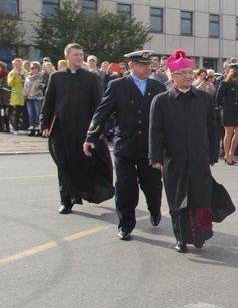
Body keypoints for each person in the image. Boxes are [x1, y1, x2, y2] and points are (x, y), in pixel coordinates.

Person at [83, 49, 167, 239]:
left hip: (149, 148)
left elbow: (166, 118)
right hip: (125, 146)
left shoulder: (158, 87)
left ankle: (155, 210)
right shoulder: (117, 86)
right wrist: (91, 137)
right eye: (143, 64)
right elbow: (101, 113)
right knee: (125, 188)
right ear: (131, 66)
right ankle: (126, 224)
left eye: (150, 64)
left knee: (152, 186)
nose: (148, 68)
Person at [149, 49, 220, 252]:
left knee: (200, 198)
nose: (189, 76)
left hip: (199, 157)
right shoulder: (161, 101)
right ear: (172, 76)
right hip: (174, 159)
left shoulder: (203, 98)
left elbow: (212, 128)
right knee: (177, 200)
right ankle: (180, 237)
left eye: (191, 72)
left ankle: (199, 235)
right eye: (183, 73)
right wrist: (155, 157)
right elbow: (155, 131)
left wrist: (213, 154)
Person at [40, 43, 114, 213]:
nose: (79, 58)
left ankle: (91, 192)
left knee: (85, 163)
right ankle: (66, 200)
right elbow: (48, 103)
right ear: (67, 57)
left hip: (83, 130)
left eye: (81, 55)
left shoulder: (90, 78)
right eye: (76, 55)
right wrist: (44, 125)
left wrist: (100, 129)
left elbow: (99, 106)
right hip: (61, 129)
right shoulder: (56, 77)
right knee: (63, 164)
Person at [216, 63, 238, 165]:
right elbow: (218, 98)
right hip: (228, 110)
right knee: (228, 132)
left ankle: (231, 153)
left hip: (237, 110)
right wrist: (223, 107)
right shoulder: (225, 83)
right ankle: (227, 155)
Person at [23, 61, 44, 136]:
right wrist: (25, 92)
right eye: (31, 68)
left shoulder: (41, 76)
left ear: (38, 68)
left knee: (37, 113)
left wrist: (35, 93)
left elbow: (41, 87)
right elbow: (25, 86)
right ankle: (32, 127)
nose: (31, 69)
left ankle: (38, 127)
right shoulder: (28, 77)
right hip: (29, 98)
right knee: (31, 113)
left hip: (36, 98)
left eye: (33, 68)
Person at [7, 58, 27, 134]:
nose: (17, 65)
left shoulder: (25, 72)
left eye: (18, 64)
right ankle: (15, 129)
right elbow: (9, 84)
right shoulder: (11, 73)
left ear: (21, 64)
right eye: (15, 64)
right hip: (16, 95)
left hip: (25, 95)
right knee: (17, 113)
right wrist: (14, 77)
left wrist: (25, 81)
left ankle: (24, 128)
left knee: (25, 113)